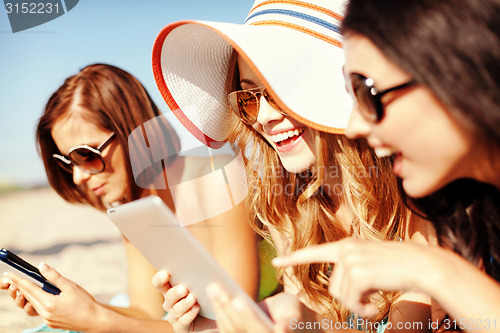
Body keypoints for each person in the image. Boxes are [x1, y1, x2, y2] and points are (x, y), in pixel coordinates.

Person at [150, 1, 437, 332]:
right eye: (249, 98)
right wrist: (215, 327)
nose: (264, 116)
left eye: (281, 92)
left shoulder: (414, 186)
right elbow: (324, 325)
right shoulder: (286, 202)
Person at [274, 1, 500, 332]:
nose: (353, 126)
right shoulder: (465, 209)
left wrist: (435, 271)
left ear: (456, 73)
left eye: (368, 92)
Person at [0, 63, 260, 333]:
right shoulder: (136, 209)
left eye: (86, 155)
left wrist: (94, 318)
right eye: (67, 162)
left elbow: (239, 324)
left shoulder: (216, 179)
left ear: (133, 132)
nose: (78, 177)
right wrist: (70, 304)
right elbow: (143, 312)